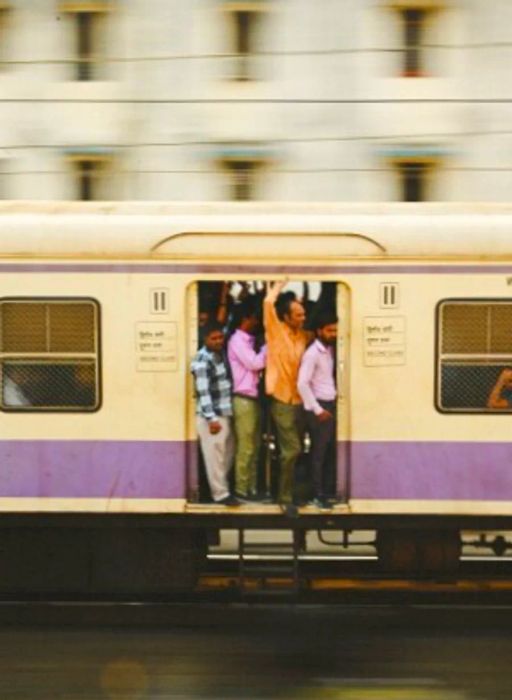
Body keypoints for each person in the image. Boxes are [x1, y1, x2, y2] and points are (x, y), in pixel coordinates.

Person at [264, 280, 310, 509]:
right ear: (286, 316)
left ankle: (293, 492)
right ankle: (284, 499)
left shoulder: (303, 336)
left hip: (300, 400)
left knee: (296, 449)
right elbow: (267, 302)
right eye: (299, 315)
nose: (303, 318)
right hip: (281, 399)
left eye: (303, 314)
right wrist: (280, 283)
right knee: (292, 450)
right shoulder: (275, 331)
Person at [191, 321, 238, 506]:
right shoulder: (202, 360)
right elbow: (203, 392)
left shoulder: (218, 355)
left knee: (226, 453)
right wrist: (211, 419)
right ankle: (219, 494)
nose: (219, 341)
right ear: (205, 339)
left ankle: (220, 489)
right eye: (214, 338)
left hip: (224, 412)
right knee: (215, 457)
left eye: (220, 337)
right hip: (212, 416)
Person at [298, 310, 338, 508]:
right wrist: (317, 409)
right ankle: (316, 494)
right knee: (318, 452)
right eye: (330, 330)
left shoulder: (328, 350)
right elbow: (302, 384)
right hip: (320, 407)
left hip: (328, 404)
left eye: (335, 330)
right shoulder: (312, 354)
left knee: (327, 450)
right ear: (319, 331)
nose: (334, 334)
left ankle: (325, 490)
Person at [227, 300, 267, 502]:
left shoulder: (247, 341)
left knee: (255, 446)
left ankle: (250, 489)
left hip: (251, 399)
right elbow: (255, 363)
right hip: (244, 399)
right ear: (245, 319)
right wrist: (269, 345)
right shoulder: (237, 341)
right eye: (255, 318)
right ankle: (242, 490)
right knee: (247, 447)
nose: (257, 322)